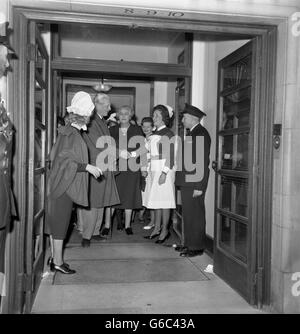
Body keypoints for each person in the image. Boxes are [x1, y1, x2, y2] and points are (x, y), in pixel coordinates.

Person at [47, 91, 102, 274]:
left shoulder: (68, 131)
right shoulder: (72, 133)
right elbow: (65, 161)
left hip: (63, 184)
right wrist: (88, 167)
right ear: (84, 115)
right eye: (89, 114)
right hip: (64, 186)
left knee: (57, 223)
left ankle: (55, 259)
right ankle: (57, 262)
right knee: (60, 224)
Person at [77, 93, 120, 246]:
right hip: (96, 166)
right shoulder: (93, 121)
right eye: (106, 105)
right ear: (97, 105)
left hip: (103, 166)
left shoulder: (101, 120)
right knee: (94, 201)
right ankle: (86, 236)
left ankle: (95, 232)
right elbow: (101, 144)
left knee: (101, 201)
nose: (109, 108)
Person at [175, 103, 211, 257]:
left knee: (195, 215)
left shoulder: (200, 134)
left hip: (194, 182)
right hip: (188, 181)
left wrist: (199, 186)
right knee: (189, 215)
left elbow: (202, 162)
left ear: (192, 118)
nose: (182, 120)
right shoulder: (193, 133)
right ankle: (189, 244)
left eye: (184, 117)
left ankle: (196, 247)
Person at [110, 105, 146, 235]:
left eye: (126, 113)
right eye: (121, 113)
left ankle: (127, 225)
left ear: (130, 115)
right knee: (113, 196)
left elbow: (143, 148)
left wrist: (141, 165)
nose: (124, 116)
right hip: (117, 167)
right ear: (118, 116)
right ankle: (108, 225)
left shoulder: (137, 129)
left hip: (132, 168)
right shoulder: (112, 130)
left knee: (129, 196)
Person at [143, 104, 176, 244]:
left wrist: (164, 173)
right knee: (156, 201)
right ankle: (156, 228)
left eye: (157, 115)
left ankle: (165, 231)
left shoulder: (168, 133)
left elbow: (170, 156)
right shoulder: (155, 134)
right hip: (154, 171)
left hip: (164, 171)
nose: (154, 118)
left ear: (164, 118)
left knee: (165, 202)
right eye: (154, 115)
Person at [139, 117, 155, 230]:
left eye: (148, 126)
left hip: (152, 170)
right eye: (144, 126)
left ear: (153, 127)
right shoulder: (144, 139)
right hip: (145, 170)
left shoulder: (154, 139)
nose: (146, 129)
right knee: (148, 196)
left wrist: (146, 166)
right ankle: (152, 221)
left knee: (152, 196)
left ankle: (153, 222)